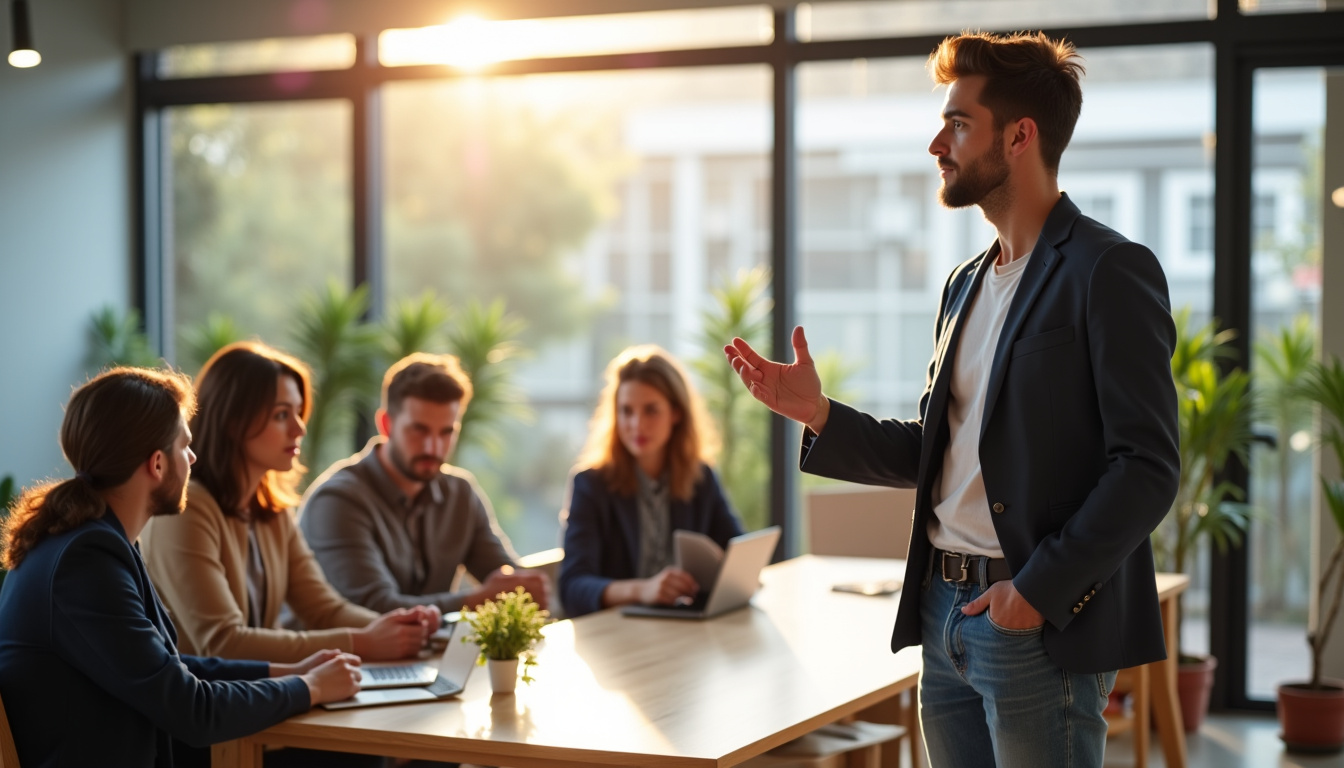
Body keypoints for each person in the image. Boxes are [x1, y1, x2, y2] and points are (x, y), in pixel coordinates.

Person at [725, 31, 1180, 767]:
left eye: (959, 122)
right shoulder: (963, 284)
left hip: (1031, 622)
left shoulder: (1108, 270)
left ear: (1020, 135)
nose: (938, 142)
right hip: (944, 610)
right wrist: (817, 414)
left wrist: (1033, 592)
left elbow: (1148, 468)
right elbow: (938, 450)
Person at [0, 367, 361, 768]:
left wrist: (287, 671)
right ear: (157, 464)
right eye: (184, 445)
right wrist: (308, 688)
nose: (192, 457)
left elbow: (165, 667)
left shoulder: (92, 542)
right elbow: (192, 710)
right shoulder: (85, 562)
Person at [140, 342, 439, 665]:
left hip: (267, 696)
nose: (299, 428)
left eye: (298, 412)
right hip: (210, 706)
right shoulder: (188, 508)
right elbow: (223, 642)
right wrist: (363, 642)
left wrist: (401, 629)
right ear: (233, 422)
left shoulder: (271, 508)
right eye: (282, 415)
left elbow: (324, 610)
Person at [300, 352, 549, 615]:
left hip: (424, 655)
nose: (433, 447)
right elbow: (376, 610)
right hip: (335, 655)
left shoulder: (460, 493)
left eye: (446, 432)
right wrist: (480, 600)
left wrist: (521, 586)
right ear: (386, 424)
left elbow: (506, 578)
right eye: (419, 430)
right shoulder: (337, 501)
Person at [559, 345, 744, 617]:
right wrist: (642, 590)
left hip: (686, 625)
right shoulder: (591, 484)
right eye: (626, 411)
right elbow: (572, 587)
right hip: (618, 635)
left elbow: (737, 555)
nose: (637, 424)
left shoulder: (700, 477)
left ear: (676, 414)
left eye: (651, 410)